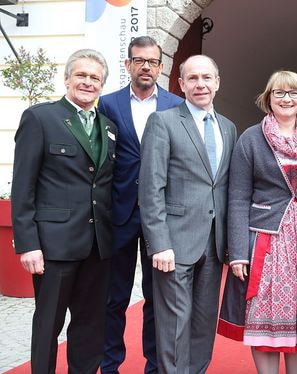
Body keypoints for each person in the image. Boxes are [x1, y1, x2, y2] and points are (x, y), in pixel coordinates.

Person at [11, 49, 117, 373]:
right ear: (67, 78)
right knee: (48, 326)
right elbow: (23, 185)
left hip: (97, 245)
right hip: (54, 245)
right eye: (81, 75)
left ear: (102, 85)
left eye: (95, 78)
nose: (87, 82)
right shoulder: (40, 117)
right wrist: (28, 243)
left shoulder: (108, 127)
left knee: (90, 325)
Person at [217, 71, 297, 374]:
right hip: (266, 239)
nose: (286, 98)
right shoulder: (251, 138)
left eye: (293, 93)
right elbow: (238, 197)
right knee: (264, 314)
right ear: (268, 99)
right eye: (279, 93)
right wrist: (237, 252)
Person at [138, 54, 236, 373]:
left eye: (207, 78)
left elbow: (226, 187)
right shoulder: (163, 122)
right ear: (180, 84)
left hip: (214, 242)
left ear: (218, 82)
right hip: (175, 243)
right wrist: (159, 243)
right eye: (192, 78)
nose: (200, 84)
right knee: (174, 325)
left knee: (204, 322)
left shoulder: (228, 128)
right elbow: (151, 187)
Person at [97, 36, 183, 374]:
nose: (146, 66)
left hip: (160, 217)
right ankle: (109, 364)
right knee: (113, 298)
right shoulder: (108, 104)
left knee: (157, 300)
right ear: (128, 64)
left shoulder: (177, 106)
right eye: (139, 60)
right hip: (118, 213)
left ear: (161, 67)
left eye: (152, 61)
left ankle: (156, 365)